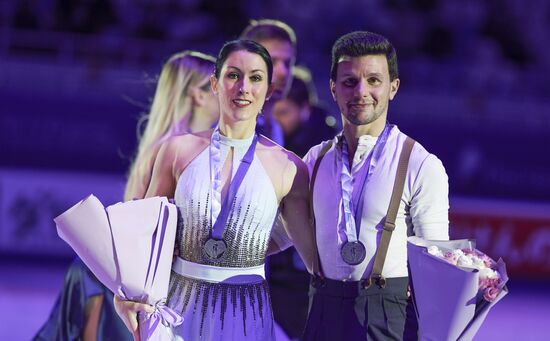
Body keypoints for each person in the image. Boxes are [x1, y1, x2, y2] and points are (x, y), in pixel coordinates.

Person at [114, 39, 316, 341]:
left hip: (247, 316)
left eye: (256, 78)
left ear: (269, 91)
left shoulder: (288, 166)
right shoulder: (177, 150)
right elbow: (145, 234)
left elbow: (313, 258)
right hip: (176, 311)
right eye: (233, 75)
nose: (243, 87)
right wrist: (124, 295)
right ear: (215, 84)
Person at [33, 50, 218, 341]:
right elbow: (139, 232)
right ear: (198, 94)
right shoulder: (171, 151)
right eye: (217, 83)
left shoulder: (174, 147)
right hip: (142, 288)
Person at [301, 31, 449, 340]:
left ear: (393, 87)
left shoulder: (421, 164)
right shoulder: (314, 160)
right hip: (322, 310)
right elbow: (277, 233)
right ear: (333, 89)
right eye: (349, 82)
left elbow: (436, 264)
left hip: (387, 313)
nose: (361, 92)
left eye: (373, 80)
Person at [240, 19, 297, 146]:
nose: (283, 72)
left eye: (288, 63)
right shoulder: (227, 124)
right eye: (272, 61)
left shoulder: (275, 129)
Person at [273, 65, 338, 157]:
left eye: (283, 112)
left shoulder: (326, 148)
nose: (275, 119)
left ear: (305, 108)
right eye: (272, 113)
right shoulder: (281, 138)